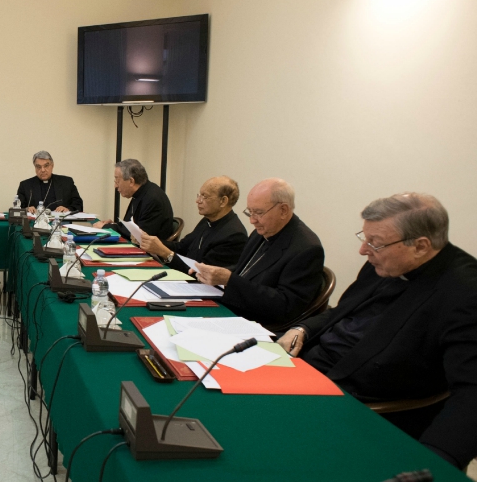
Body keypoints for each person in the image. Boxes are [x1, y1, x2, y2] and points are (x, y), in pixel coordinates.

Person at [277, 193, 477, 469]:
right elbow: (340, 312)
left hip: (355, 406)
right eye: (365, 238)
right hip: (304, 370)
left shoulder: (465, 293)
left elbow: (471, 394)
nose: (364, 251)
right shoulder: (385, 260)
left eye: (375, 243)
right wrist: (302, 327)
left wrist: (433, 463)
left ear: (420, 246)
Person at [194, 178, 324, 329]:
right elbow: (246, 271)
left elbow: (285, 305)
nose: (252, 220)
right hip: (233, 308)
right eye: (250, 212)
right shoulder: (261, 232)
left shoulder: (307, 249)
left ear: (283, 210)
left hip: (258, 324)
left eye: (258, 212)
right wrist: (214, 273)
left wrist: (229, 280)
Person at [134, 176, 247, 274]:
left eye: (204, 197)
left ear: (223, 201)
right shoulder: (207, 221)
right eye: (199, 195)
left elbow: (203, 274)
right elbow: (182, 247)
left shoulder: (234, 235)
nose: (198, 201)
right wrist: (148, 241)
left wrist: (164, 252)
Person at [93, 159, 174, 240]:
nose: (115, 186)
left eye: (117, 180)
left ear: (131, 181)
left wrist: (107, 227)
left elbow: (139, 235)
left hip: (147, 251)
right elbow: (131, 226)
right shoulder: (141, 193)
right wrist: (114, 225)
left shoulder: (153, 198)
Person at [16, 151, 84, 214]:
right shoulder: (25, 185)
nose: (42, 170)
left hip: (61, 223)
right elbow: (18, 209)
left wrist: (68, 209)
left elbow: (78, 205)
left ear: (52, 165)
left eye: (46, 166)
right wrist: (27, 209)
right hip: (33, 224)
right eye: (38, 167)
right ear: (35, 168)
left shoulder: (66, 182)